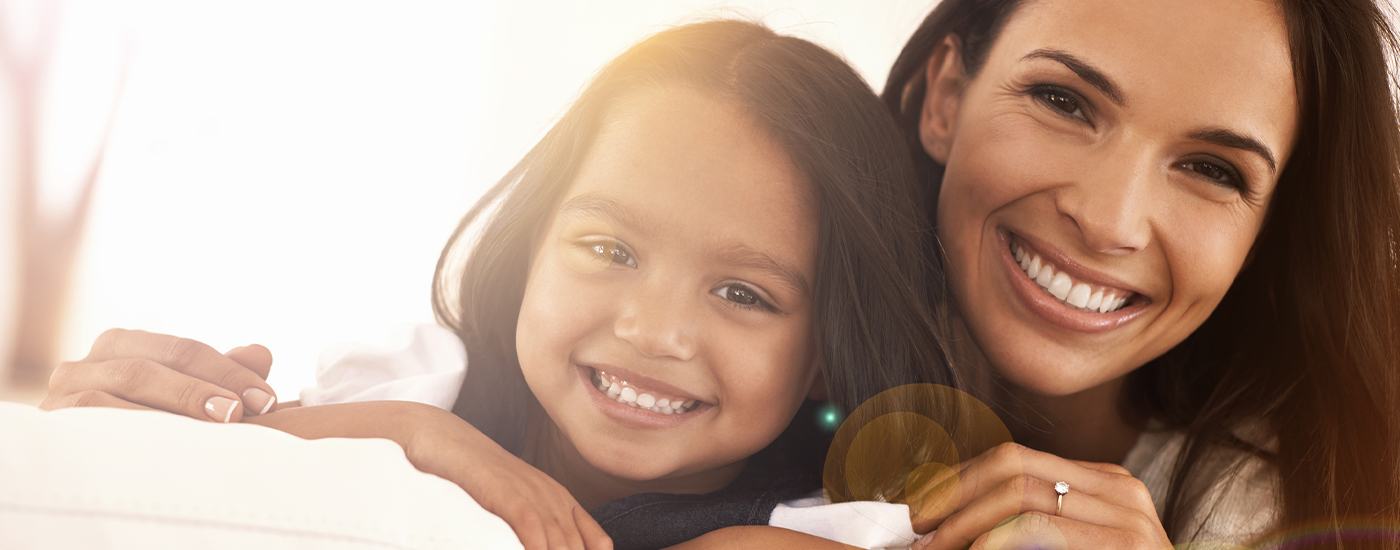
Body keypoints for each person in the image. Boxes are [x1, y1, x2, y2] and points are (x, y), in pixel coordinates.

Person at [42, 20, 954, 550]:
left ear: (829, 355)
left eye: (744, 295)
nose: (652, 328)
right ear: (529, 251)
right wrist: (417, 434)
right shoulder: (416, 393)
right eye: (610, 248)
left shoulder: (803, 531)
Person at [869, 0, 1399, 547]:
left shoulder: (1306, 517)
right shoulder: (790, 369)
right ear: (947, 98)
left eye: (1211, 169)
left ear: (1265, 236)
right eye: (1064, 102)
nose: (1108, 223)